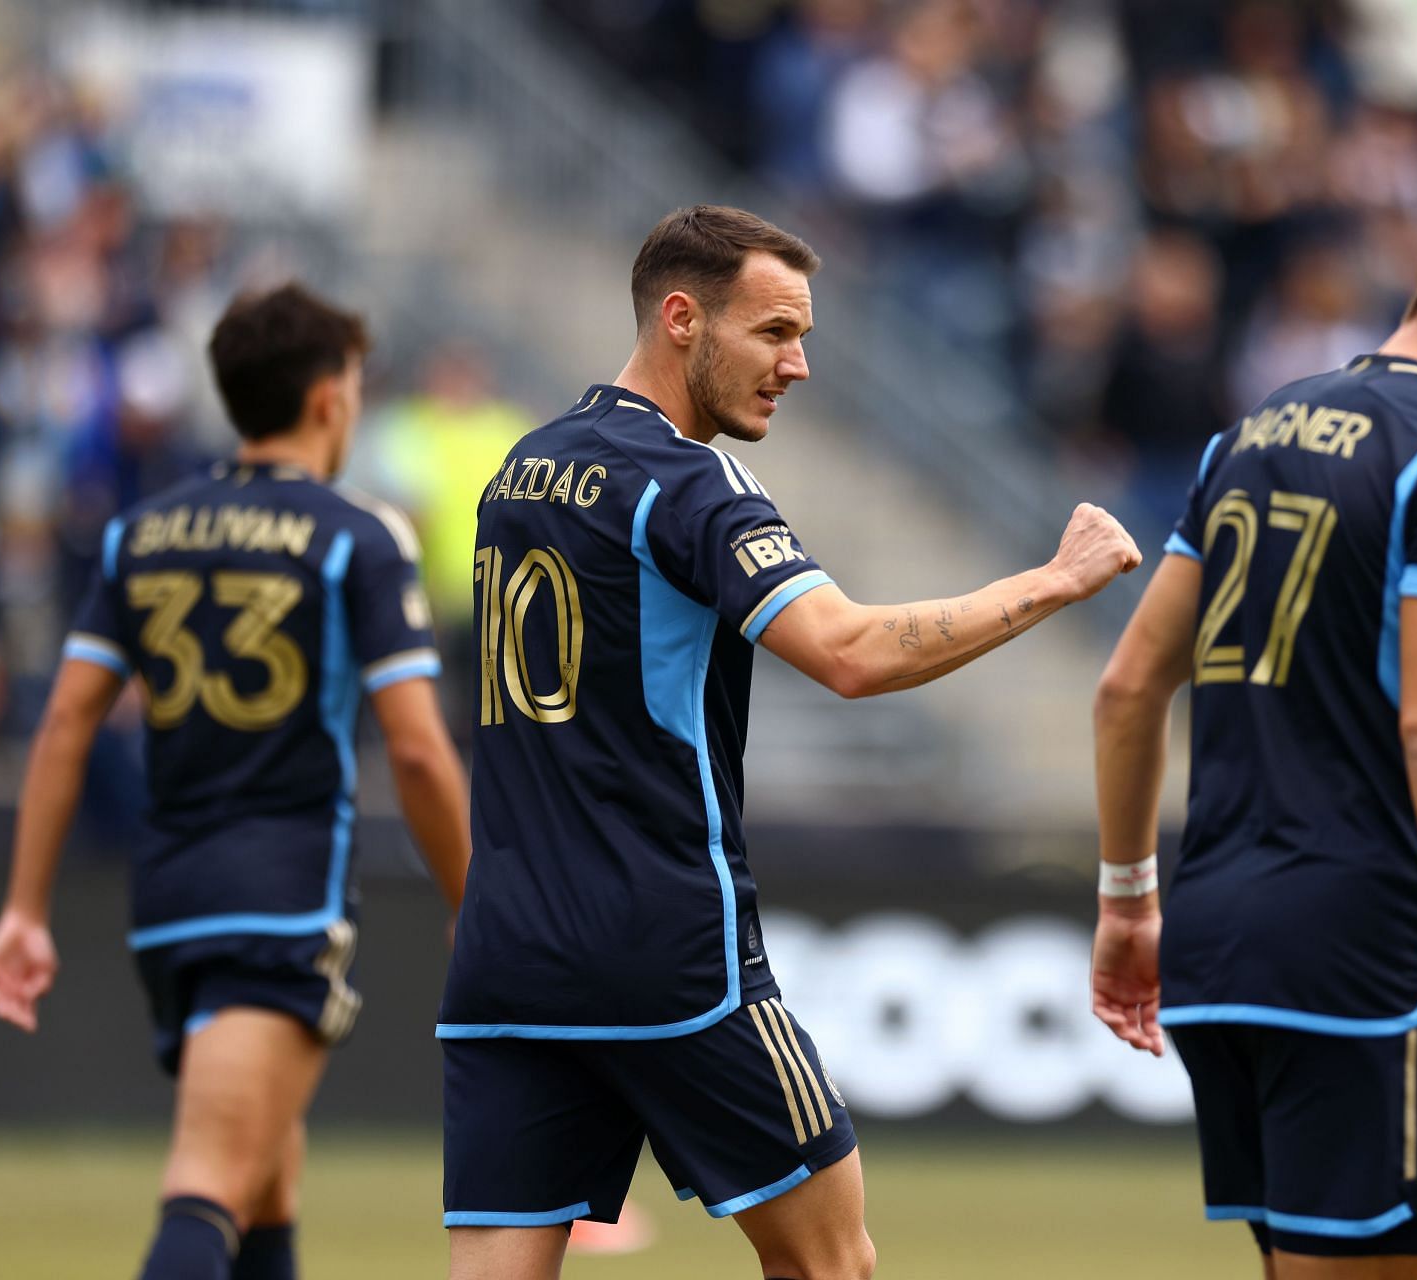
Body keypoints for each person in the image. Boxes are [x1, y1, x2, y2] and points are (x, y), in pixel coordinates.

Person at [437, 203, 1140, 1280]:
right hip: (667, 951)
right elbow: (849, 652)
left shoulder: (520, 469)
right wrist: (1049, 582)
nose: (798, 364)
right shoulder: (687, 483)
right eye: (772, 332)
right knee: (831, 1262)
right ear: (682, 318)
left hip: (508, 953)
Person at [1089, 180, 1417, 1280]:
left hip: (1219, 946)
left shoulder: (1248, 434)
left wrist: (1130, 898)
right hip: (1364, 961)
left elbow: (1130, 686)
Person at [0, 283, 473, 1280]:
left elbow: (68, 719)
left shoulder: (138, 532)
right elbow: (417, 749)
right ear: (331, 398)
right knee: (207, 1185)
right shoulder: (359, 538)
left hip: (168, 900)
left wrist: (25, 905)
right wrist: (478, 898)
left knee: (264, 1184)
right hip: (281, 895)